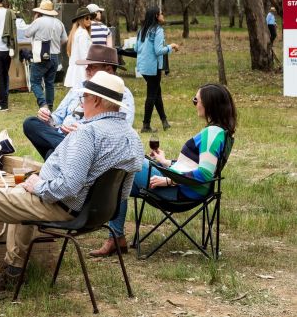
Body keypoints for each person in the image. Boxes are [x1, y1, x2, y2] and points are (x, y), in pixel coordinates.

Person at [0, 71, 144, 297]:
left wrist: (39, 186)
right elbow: (124, 191)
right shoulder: (132, 137)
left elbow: (69, 187)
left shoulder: (88, 133)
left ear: (97, 101)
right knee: (23, 190)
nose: (81, 104)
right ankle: (14, 270)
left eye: (84, 98)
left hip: (63, 207)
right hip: (94, 213)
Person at [92, 83, 237, 257]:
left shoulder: (212, 133)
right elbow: (195, 166)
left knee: (127, 161)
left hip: (180, 191)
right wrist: (165, 162)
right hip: (186, 188)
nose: (195, 104)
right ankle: (116, 239)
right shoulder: (221, 132)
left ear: (209, 103)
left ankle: (113, 236)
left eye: (196, 100)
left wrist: (168, 180)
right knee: (119, 184)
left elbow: (205, 174)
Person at [23, 45, 134, 160]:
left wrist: (83, 132)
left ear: (108, 69)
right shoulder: (79, 86)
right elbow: (57, 117)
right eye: (86, 66)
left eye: (92, 67)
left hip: (86, 144)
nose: (87, 70)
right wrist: (46, 117)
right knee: (30, 123)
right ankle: (62, 153)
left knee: (51, 153)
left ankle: (60, 155)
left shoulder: (121, 94)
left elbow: (120, 130)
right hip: (61, 136)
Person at [136, 7, 179, 133]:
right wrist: (171, 46)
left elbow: (136, 48)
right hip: (153, 68)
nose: (163, 15)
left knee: (156, 93)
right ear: (156, 16)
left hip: (143, 67)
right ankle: (146, 125)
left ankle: (164, 121)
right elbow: (158, 51)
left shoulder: (142, 30)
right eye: (161, 13)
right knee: (152, 95)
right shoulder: (158, 30)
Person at [24, 0, 67, 109]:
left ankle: (43, 104)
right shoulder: (59, 23)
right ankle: (50, 106)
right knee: (49, 83)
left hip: (41, 56)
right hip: (55, 57)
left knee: (34, 81)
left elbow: (27, 33)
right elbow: (65, 39)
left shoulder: (38, 21)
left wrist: (34, 20)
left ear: (40, 11)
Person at [63, 7, 93, 88]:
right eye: (87, 18)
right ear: (80, 20)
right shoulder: (82, 33)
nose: (89, 20)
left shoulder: (76, 32)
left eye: (90, 18)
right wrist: (89, 68)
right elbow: (84, 53)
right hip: (81, 70)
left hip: (77, 68)